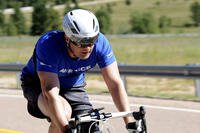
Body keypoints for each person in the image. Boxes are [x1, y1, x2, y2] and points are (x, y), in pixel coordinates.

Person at [20, 9, 134, 133]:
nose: (88, 47)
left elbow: (114, 84)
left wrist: (130, 123)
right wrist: (65, 129)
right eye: (82, 42)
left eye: (92, 40)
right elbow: (50, 93)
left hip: (72, 85)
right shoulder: (48, 45)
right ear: (67, 38)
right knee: (64, 113)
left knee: (89, 126)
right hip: (38, 85)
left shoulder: (101, 44)